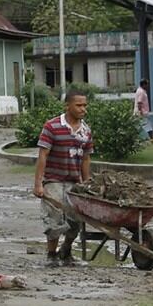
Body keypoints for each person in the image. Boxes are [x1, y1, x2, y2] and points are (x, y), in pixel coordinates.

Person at [33, 89, 94, 267]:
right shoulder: (52, 126)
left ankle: (66, 251)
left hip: (74, 181)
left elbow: (86, 159)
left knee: (75, 219)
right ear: (68, 106)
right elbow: (43, 155)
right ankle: (51, 254)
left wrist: (87, 184)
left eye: (85, 105)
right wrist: (38, 184)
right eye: (79, 105)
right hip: (53, 179)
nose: (83, 109)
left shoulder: (86, 131)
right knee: (54, 217)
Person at [134, 79, 153, 143]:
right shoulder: (141, 92)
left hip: (139, 112)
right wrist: (141, 112)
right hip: (141, 112)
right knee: (147, 125)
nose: (148, 86)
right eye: (147, 84)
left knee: (139, 126)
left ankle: (136, 139)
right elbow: (139, 102)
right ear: (144, 84)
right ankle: (152, 139)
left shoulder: (139, 90)